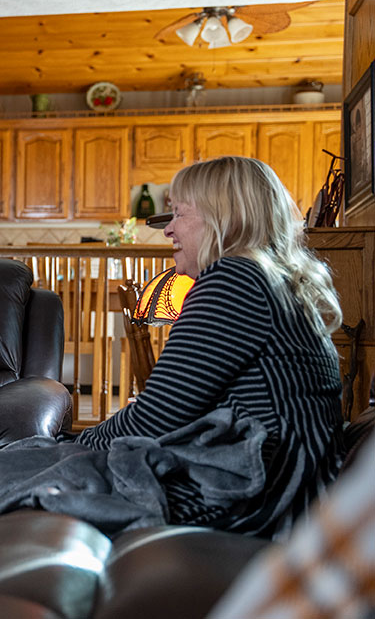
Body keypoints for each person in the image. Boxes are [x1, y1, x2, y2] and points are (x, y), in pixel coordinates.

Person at [76, 155, 344, 537]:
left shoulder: (235, 279)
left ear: (225, 219)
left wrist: (72, 442)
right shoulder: (268, 275)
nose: (167, 229)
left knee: (22, 472)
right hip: (289, 482)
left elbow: (153, 419)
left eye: (179, 214)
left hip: (257, 493)